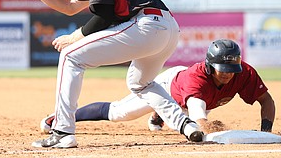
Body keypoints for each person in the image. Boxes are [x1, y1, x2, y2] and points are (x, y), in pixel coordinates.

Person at [23, 0, 203, 148]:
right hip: (167, 27)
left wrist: (75, 36)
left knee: (70, 56)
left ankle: (62, 131)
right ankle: (187, 126)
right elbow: (69, 4)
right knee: (141, 83)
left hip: (146, 25)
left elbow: (105, 15)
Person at [40, 39, 275, 135]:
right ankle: (59, 117)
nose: (227, 75)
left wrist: (265, 131)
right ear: (209, 65)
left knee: (182, 115)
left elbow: (267, 101)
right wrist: (210, 130)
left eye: (230, 71)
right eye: (221, 70)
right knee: (118, 113)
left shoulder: (243, 72)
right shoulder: (198, 79)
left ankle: (157, 117)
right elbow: (199, 121)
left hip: (195, 98)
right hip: (169, 86)